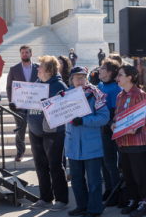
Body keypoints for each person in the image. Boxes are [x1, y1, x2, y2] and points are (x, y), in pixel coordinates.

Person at [62, 66, 109, 217]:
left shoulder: (96, 95)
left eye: (82, 77)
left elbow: (104, 118)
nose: (80, 80)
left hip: (91, 144)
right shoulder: (64, 96)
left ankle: (94, 209)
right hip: (73, 144)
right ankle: (82, 206)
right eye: (77, 78)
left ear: (87, 78)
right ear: (72, 80)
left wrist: (84, 120)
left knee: (94, 181)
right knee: (76, 180)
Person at [28, 56, 70, 211]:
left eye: (40, 66)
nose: (37, 68)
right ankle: (45, 198)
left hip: (53, 132)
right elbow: (29, 102)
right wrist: (18, 105)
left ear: (49, 70)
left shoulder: (59, 86)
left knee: (55, 166)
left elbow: (64, 108)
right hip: (35, 130)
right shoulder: (38, 83)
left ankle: (62, 200)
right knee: (40, 166)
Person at [113, 64, 146, 216]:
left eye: (120, 74)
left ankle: (143, 202)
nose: (117, 78)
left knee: (140, 176)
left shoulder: (140, 94)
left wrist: (137, 128)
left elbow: (143, 118)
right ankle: (133, 200)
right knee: (128, 175)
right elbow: (117, 116)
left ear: (129, 78)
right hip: (123, 142)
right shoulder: (120, 96)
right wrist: (113, 124)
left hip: (138, 142)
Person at [7, 45, 39, 162]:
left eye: (26, 52)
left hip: (34, 106)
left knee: (35, 130)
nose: (24, 54)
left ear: (31, 53)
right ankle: (20, 152)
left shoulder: (39, 68)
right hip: (19, 106)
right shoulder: (13, 69)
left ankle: (37, 153)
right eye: (22, 53)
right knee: (20, 130)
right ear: (20, 54)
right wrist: (11, 101)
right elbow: (9, 87)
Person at [97, 57, 122, 201]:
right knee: (102, 162)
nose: (99, 70)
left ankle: (116, 191)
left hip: (108, 130)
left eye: (102, 68)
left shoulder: (115, 88)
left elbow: (114, 112)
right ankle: (108, 188)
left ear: (111, 72)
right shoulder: (100, 85)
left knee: (110, 162)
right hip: (99, 129)